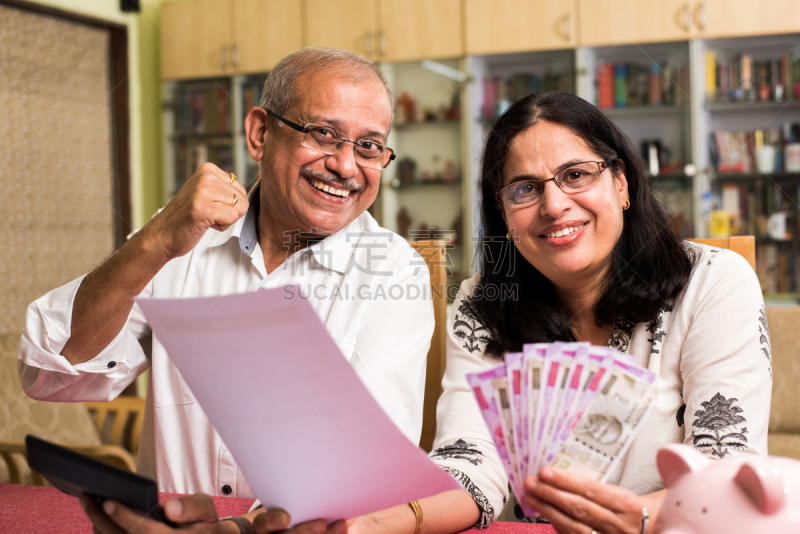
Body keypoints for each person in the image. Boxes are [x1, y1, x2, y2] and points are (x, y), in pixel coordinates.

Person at [81, 91, 773, 534]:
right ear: (502, 214)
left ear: (622, 183)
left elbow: (728, 474)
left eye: (576, 175)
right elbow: (471, 466)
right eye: (524, 188)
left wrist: (643, 517)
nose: (555, 206)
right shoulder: (485, 302)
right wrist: (379, 524)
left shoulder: (714, 283)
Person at [18, 46, 434, 525]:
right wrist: (152, 243)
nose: (345, 165)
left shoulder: (395, 270)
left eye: (368, 146)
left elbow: (363, 473)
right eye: (324, 133)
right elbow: (49, 374)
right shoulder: (180, 239)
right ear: (260, 133)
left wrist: (234, 527)